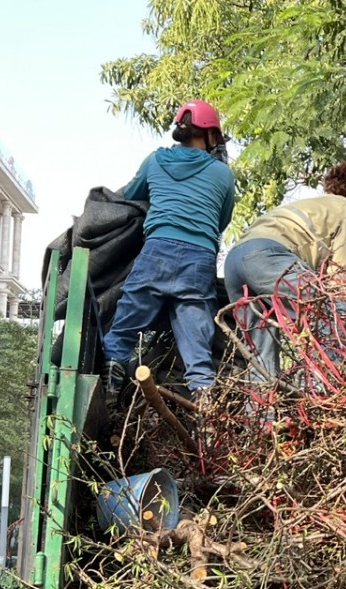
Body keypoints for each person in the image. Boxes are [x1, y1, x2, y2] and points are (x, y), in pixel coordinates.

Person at [102, 99, 237, 405]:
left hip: (157, 252)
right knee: (197, 351)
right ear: (211, 135)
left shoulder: (154, 161)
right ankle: (205, 413)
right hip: (198, 260)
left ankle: (109, 396)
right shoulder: (222, 175)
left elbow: (132, 194)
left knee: (123, 328)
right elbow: (221, 220)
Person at [223, 162, 346, 382]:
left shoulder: (318, 205)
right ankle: (326, 394)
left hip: (236, 260)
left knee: (261, 358)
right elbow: (341, 283)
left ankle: (260, 416)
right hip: (270, 256)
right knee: (330, 314)